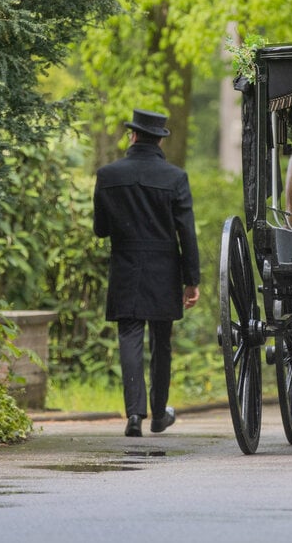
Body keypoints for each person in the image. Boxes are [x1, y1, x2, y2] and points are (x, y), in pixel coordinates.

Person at [93, 109, 201, 437]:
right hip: (164, 270)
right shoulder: (175, 178)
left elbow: (100, 229)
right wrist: (191, 280)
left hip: (125, 266)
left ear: (134, 136)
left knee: (129, 337)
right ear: (159, 140)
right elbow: (186, 232)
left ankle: (134, 414)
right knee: (161, 342)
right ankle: (158, 414)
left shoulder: (108, 175)